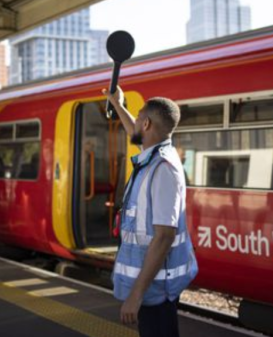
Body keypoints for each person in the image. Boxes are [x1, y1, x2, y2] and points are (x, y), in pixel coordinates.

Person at [103, 86, 198, 337]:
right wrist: (118, 104)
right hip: (152, 285)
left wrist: (136, 295)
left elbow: (164, 236)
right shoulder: (154, 155)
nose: (133, 122)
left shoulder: (163, 169)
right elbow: (131, 129)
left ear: (145, 124)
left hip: (155, 288)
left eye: (137, 117)